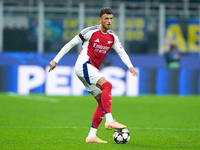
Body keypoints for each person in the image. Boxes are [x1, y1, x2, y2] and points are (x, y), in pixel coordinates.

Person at [49, 7, 138, 143]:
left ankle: (91, 136)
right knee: (107, 85)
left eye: (111, 19)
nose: (109, 21)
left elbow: (122, 52)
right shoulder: (89, 32)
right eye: (106, 19)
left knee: (102, 102)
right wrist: (55, 60)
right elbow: (71, 44)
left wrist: (130, 67)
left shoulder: (112, 37)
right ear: (100, 19)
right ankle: (109, 120)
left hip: (89, 69)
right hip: (83, 65)